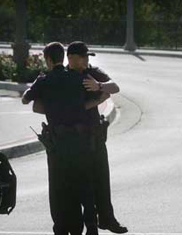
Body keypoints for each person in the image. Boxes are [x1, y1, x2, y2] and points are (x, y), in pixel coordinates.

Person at [22, 42, 99, 235]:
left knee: (60, 190)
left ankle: (64, 229)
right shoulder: (78, 77)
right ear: (63, 58)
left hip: (58, 144)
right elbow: (99, 94)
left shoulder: (44, 79)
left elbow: (27, 99)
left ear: (48, 59)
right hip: (80, 142)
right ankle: (91, 227)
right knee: (84, 185)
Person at [67, 41, 127, 234]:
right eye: (82, 57)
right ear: (72, 58)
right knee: (83, 184)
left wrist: (99, 85)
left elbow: (115, 87)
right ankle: (89, 224)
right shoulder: (64, 77)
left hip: (95, 136)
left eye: (87, 57)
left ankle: (107, 219)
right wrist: (94, 102)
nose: (86, 60)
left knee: (102, 179)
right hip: (75, 139)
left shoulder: (92, 73)